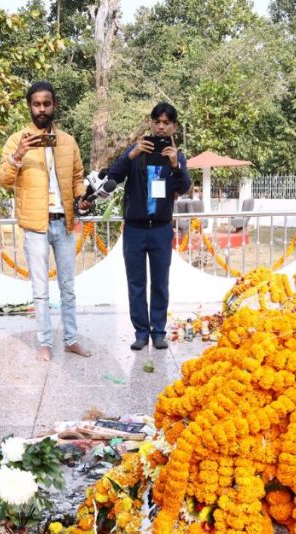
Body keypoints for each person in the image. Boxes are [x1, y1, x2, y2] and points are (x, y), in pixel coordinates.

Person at [0, 81, 92, 362]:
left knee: (68, 285)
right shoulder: (17, 140)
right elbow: (3, 180)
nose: (41, 109)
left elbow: (77, 178)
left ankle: (71, 339)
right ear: (30, 106)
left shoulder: (68, 141)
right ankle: (44, 343)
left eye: (46, 104)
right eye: (36, 104)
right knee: (40, 289)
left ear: (55, 105)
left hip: (63, 223)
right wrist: (18, 155)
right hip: (35, 226)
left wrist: (82, 198)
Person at [107, 102, 191, 350]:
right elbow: (113, 176)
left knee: (160, 282)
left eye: (167, 123)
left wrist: (176, 166)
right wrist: (130, 155)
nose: (162, 126)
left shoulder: (177, 156)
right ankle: (141, 332)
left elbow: (183, 187)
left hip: (161, 229)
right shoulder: (136, 152)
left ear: (173, 126)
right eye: (157, 122)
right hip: (134, 229)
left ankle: (159, 332)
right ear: (151, 124)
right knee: (136, 282)